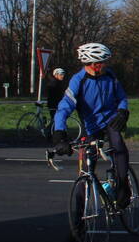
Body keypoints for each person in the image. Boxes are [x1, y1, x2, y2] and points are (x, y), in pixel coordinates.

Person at [53, 43, 132, 209]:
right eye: (102, 62)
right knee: (85, 172)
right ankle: (78, 224)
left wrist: (123, 112)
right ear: (93, 64)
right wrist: (59, 134)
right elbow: (64, 107)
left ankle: (123, 186)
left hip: (111, 120)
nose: (106, 65)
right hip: (91, 126)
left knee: (118, 145)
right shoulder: (78, 81)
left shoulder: (110, 75)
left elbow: (122, 97)